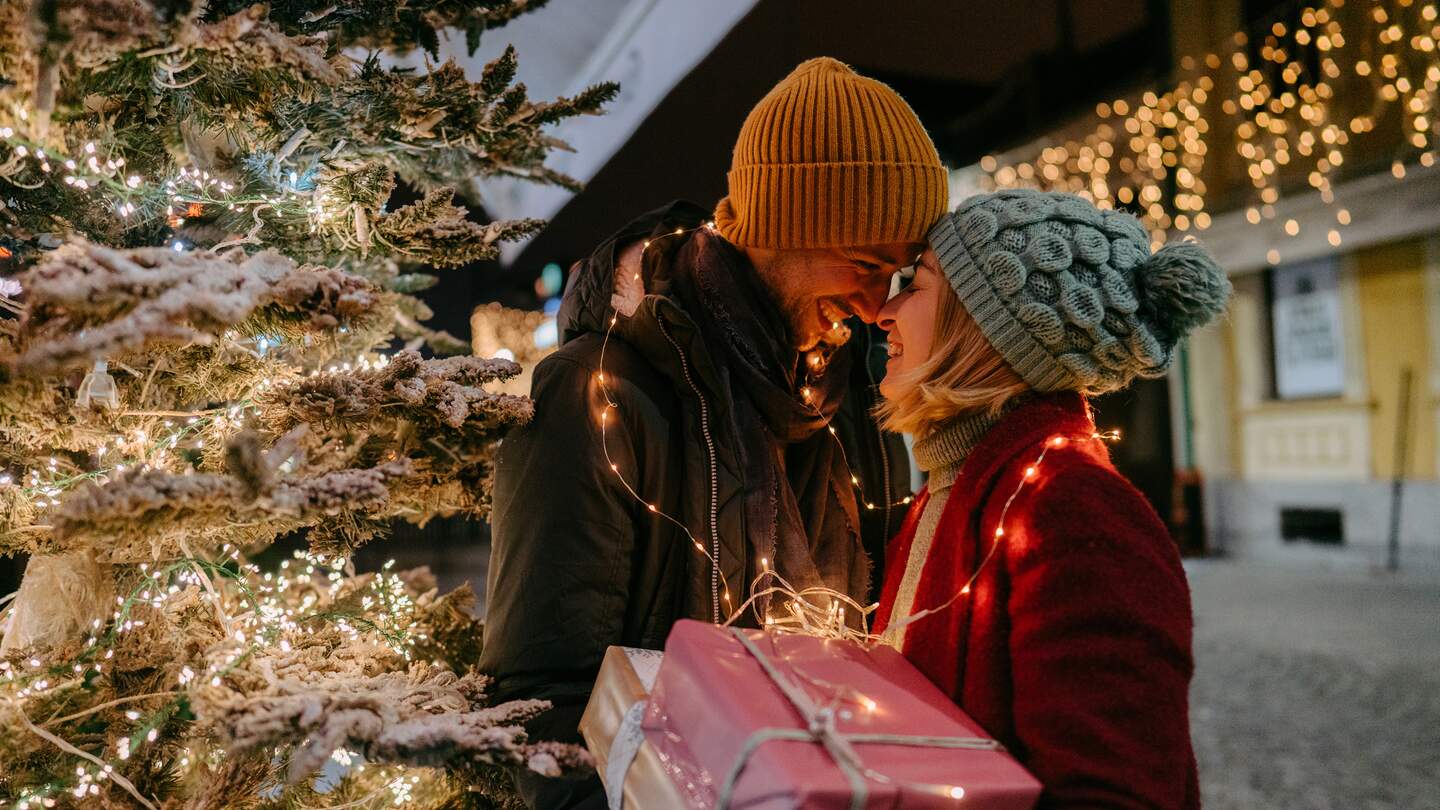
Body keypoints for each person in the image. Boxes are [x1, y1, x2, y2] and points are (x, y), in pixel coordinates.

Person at [481, 57, 944, 808]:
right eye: (861, 264)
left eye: (892, 276)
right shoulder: (597, 394)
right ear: (780, 228)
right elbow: (540, 711)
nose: (869, 306)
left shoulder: (847, 401)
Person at [871, 188, 1229, 808]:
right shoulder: (954, 487)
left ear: (986, 326)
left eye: (917, 284)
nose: (885, 311)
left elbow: (1115, 789)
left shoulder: (1074, 507)